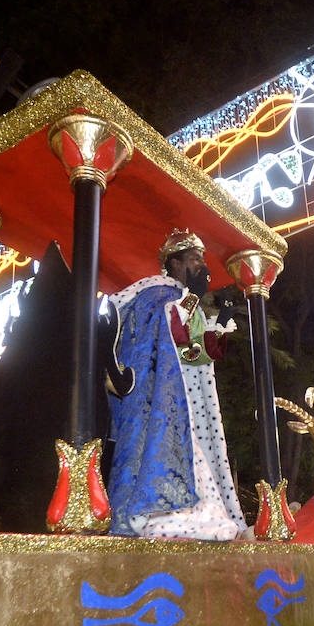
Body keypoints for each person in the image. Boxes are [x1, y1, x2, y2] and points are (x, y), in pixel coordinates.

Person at [107, 229, 245, 540]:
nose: (201, 266)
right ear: (174, 263)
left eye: (202, 259)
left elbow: (194, 353)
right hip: (157, 402)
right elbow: (169, 332)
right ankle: (158, 517)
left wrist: (221, 322)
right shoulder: (156, 293)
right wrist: (193, 298)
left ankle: (191, 520)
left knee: (195, 457)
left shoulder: (183, 300)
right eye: (195, 259)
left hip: (183, 400)